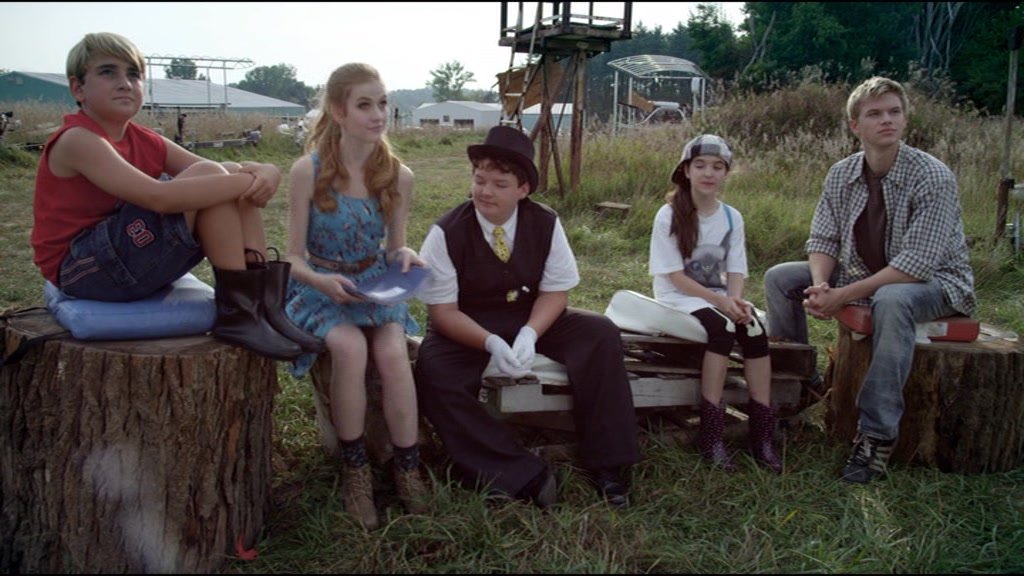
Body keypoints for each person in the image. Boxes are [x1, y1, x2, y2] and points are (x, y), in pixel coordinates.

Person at [29, 32, 318, 361]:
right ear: (78, 88)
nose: (125, 83)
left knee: (219, 177)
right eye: (108, 72)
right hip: (82, 270)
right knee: (213, 178)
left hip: (123, 258)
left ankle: (262, 307)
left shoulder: (144, 139)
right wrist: (249, 180)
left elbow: (222, 173)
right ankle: (241, 314)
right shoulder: (78, 140)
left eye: (134, 74)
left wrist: (267, 170)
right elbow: (159, 198)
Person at [413, 125, 641, 509]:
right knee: (435, 372)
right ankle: (519, 473)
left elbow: (555, 292)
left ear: (523, 189)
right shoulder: (446, 232)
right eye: (479, 180)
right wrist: (489, 342)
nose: (485, 191)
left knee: (599, 333)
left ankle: (609, 464)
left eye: (499, 184)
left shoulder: (545, 222)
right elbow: (443, 311)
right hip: (467, 322)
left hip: (529, 313)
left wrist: (530, 333)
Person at [763, 76, 976, 484]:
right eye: (875, 114)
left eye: (894, 112)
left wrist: (843, 294)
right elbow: (823, 239)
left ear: (905, 119)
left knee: (892, 300)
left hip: (937, 282)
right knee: (780, 278)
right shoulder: (841, 174)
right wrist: (821, 285)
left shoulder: (933, 176)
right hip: (861, 270)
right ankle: (799, 386)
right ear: (855, 125)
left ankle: (876, 435)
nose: (887, 120)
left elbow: (916, 265)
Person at [282, 62, 429, 530]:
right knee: (348, 348)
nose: (378, 114)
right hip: (322, 287)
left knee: (392, 352)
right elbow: (292, 258)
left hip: (373, 286)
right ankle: (356, 470)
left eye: (382, 103)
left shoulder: (398, 175)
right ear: (338, 111)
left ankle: (408, 468)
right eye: (364, 104)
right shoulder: (308, 171)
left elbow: (395, 247)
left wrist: (406, 255)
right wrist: (322, 281)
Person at [648, 134, 781, 474]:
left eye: (717, 167)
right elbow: (675, 277)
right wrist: (721, 303)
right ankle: (711, 435)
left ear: (726, 173)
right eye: (700, 165)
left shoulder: (732, 218)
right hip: (679, 297)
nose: (709, 173)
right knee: (721, 328)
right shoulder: (669, 215)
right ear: (686, 171)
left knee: (754, 328)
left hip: (718, 295)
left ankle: (762, 435)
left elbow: (736, 269)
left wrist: (734, 300)